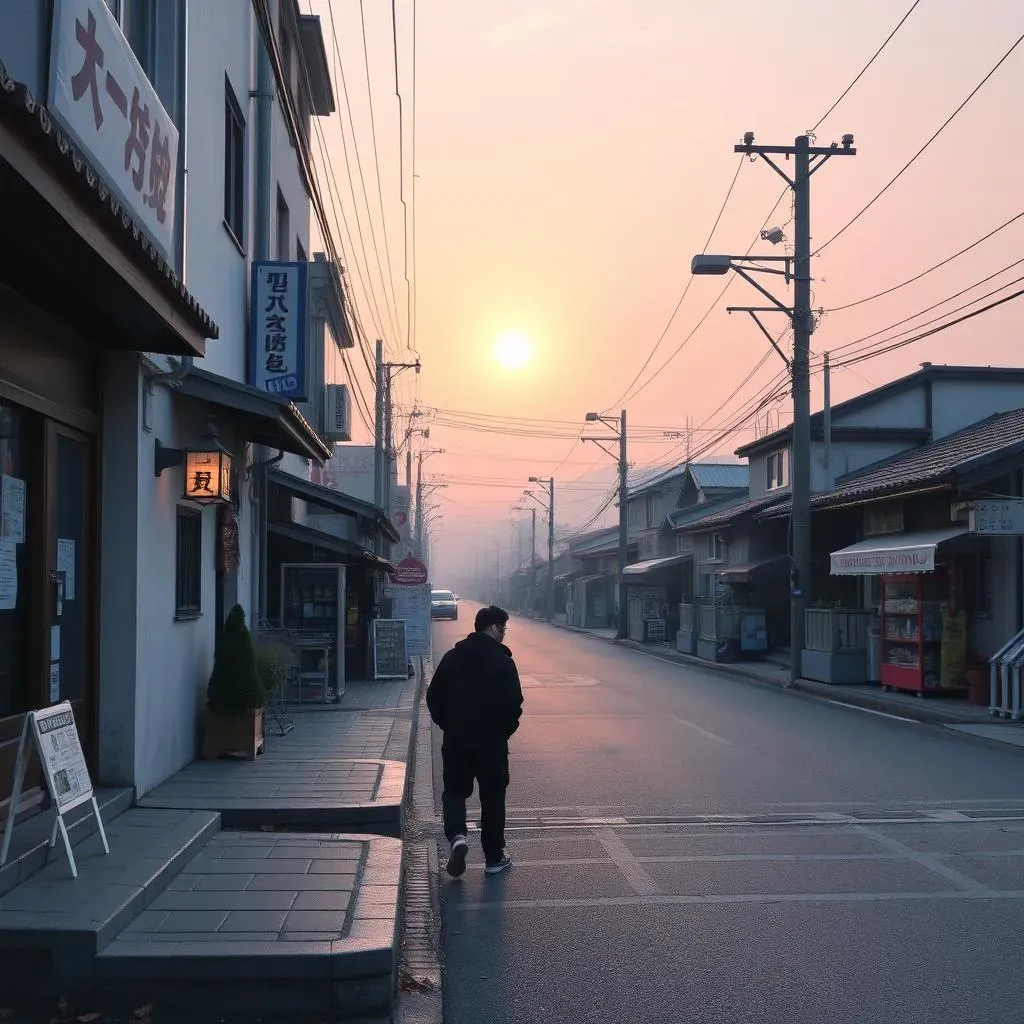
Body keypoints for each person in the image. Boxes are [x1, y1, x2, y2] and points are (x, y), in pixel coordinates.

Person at [426, 605, 523, 877]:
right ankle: (494, 857)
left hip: (456, 739)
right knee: (493, 797)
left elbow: (433, 698)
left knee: (455, 791)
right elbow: (514, 704)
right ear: (493, 628)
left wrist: (450, 725)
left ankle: (457, 836)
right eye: (503, 628)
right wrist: (502, 731)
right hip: (491, 743)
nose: (504, 633)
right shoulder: (503, 662)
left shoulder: (452, 658)